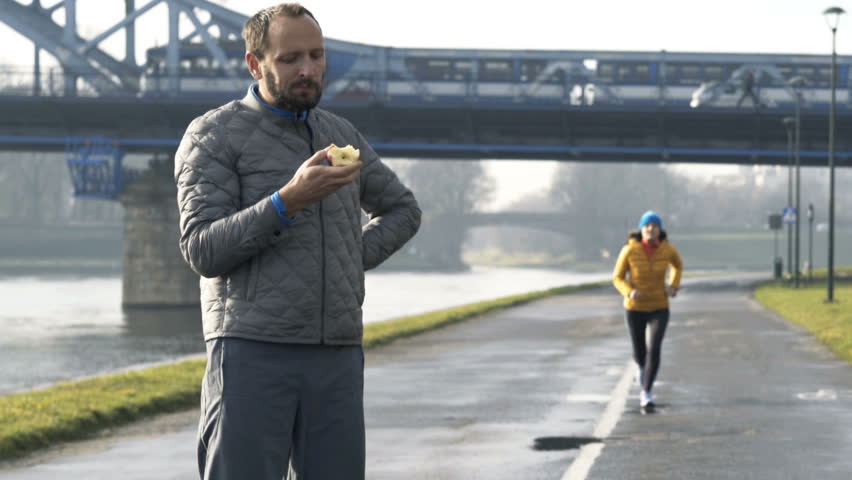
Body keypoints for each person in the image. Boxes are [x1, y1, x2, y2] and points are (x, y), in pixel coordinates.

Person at [173, 4, 421, 479]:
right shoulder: (212, 135)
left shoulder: (340, 135)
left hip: (337, 354)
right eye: (290, 59)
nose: (307, 70)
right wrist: (286, 200)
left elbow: (403, 210)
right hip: (252, 350)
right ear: (255, 63)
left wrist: (347, 261)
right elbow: (203, 249)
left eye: (316, 55)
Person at [612, 211, 683, 412]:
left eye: (655, 226)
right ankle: (643, 369)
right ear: (641, 230)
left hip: (659, 306)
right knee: (640, 352)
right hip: (635, 308)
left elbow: (678, 265)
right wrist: (629, 291)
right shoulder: (629, 250)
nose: (651, 229)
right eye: (647, 226)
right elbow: (617, 277)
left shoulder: (667, 250)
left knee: (655, 348)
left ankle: (646, 392)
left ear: (660, 230)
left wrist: (674, 285)